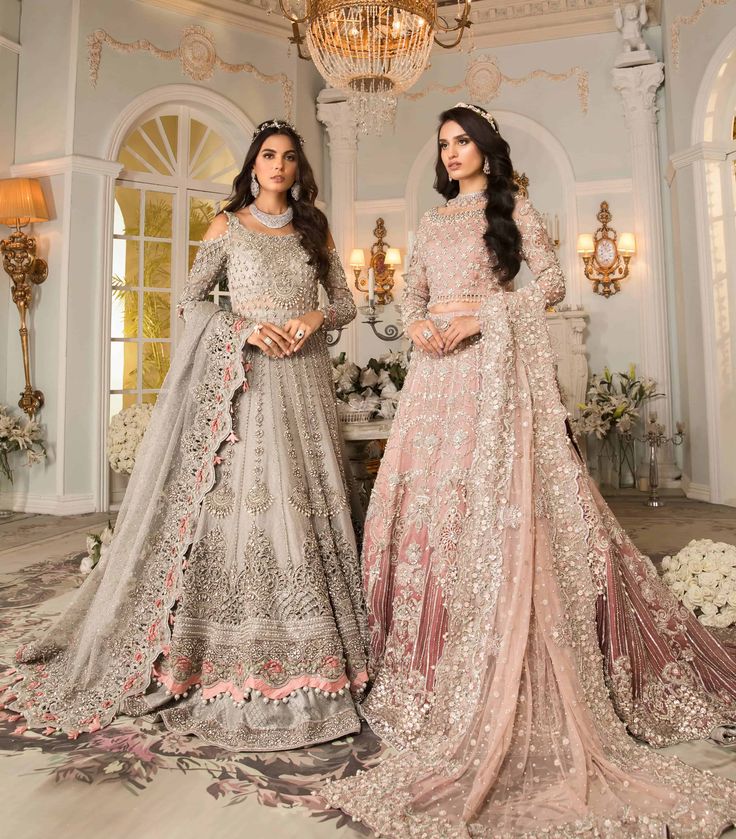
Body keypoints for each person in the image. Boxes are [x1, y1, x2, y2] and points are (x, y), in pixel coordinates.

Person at [322, 103, 736, 836]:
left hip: (490, 374)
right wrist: (418, 322)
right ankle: (426, 657)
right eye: (443, 144)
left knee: (493, 508)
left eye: (462, 142)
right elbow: (409, 294)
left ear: (486, 147)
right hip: (437, 380)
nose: (451, 154)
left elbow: (547, 286)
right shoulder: (429, 224)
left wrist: (485, 316)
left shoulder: (518, 211)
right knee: (427, 509)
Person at [2, 119, 369, 751]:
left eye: (287, 158)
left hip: (304, 375)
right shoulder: (227, 225)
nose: (278, 167)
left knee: (305, 501)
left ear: (297, 169)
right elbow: (192, 303)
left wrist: (312, 317)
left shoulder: (316, 227)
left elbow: (344, 303)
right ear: (253, 165)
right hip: (247, 377)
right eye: (268, 157)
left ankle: (320, 642)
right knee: (247, 500)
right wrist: (244, 331)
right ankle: (218, 645)